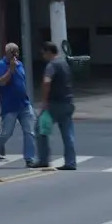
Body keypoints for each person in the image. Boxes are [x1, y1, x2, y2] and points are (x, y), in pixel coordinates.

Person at [0, 41, 37, 167]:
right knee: (6, 133)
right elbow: (2, 82)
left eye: (17, 51)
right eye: (12, 52)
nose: (15, 54)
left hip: (24, 104)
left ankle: (29, 158)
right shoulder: (1, 65)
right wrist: (10, 70)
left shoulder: (20, 64)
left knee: (29, 132)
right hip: (10, 106)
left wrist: (15, 67)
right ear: (7, 53)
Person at [36, 40, 77, 170]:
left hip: (54, 104)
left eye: (43, 53)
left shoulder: (51, 65)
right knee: (67, 134)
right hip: (68, 102)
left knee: (40, 129)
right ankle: (71, 162)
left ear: (48, 52)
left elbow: (46, 82)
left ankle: (43, 159)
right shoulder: (64, 64)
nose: (43, 57)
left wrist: (44, 101)